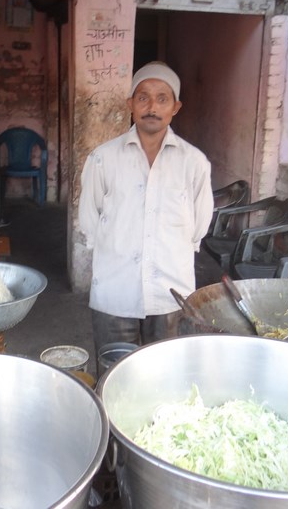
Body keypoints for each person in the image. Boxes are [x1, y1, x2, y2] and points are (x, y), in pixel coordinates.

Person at [78, 61, 214, 358]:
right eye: (143, 97)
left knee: (165, 379)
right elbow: (89, 219)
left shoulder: (194, 162)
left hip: (170, 293)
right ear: (130, 104)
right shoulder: (103, 159)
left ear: (175, 107)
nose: (152, 106)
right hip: (115, 290)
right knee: (113, 374)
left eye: (162, 98)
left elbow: (199, 225)